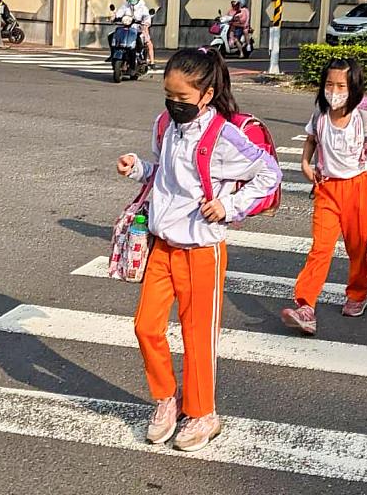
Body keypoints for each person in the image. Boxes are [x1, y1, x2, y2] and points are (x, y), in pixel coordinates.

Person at [116, 48, 281, 452]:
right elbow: (166, 176)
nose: (174, 105)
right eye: (168, 96)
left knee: (197, 337)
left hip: (202, 251)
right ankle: (166, 400)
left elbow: (269, 173)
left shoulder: (224, 136)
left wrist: (230, 207)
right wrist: (139, 168)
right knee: (146, 326)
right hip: (163, 247)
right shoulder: (166, 126)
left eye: (182, 99)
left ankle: (204, 414)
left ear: (206, 95)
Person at [281, 58, 367, 336]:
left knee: (358, 247)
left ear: (353, 88)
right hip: (327, 189)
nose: (334, 90)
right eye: (329, 84)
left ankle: (358, 293)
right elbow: (311, 142)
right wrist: (305, 164)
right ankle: (305, 305)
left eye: (341, 85)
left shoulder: (362, 120)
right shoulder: (320, 116)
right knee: (320, 249)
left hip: (358, 188)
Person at [109, 0, 155, 68]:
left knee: (143, 41)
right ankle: (113, 54)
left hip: (138, 29)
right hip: (126, 28)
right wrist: (114, 17)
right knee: (111, 36)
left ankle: (143, 58)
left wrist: (146, 23)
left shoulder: (143, 8)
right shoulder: (125, 5)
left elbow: (147, 16)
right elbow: (119, 14)